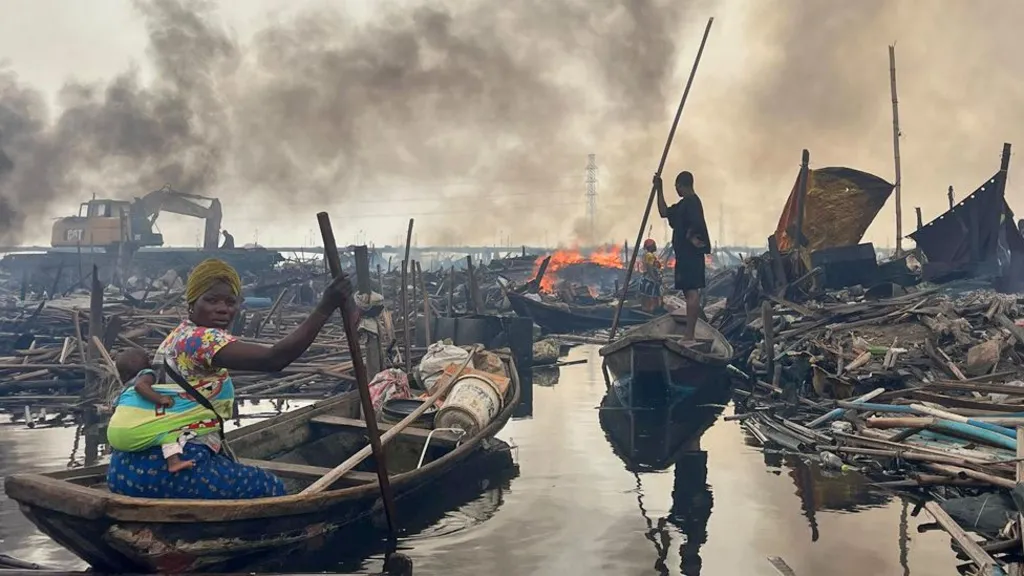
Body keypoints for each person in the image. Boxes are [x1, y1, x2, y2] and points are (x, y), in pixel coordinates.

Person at [106, 257, 354, 499]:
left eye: (230, 301)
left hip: (125, 469)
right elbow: (274, 359)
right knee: (271, 487)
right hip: (167, 469)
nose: (223, 308)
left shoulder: (178, 336)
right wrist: (325, 307)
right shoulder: (202, 340)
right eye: (211, 300)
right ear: (192, 303)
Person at [111, 348, 194, 473]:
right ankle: (173, 462)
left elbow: (114, 408)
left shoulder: (124, 390)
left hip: (114, 434)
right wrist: (160, 398)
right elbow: (141, 386)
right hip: (133, 432)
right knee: (168, 429)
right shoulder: (146, 374)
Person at [655, 171, 710, 340]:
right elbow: (664, 212)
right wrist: (659, 188)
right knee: (689, 293)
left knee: (692, 293)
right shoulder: (684, 205)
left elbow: (696, 229)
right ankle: (689, 334)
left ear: (681, 185)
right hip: (686, 256)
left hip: (690, 256)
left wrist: (691, 240)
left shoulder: (692, 204)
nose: (677, 191)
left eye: (676, 187)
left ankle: (689, 335)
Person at [638, 238, 663, 314]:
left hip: (646, 280)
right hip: (650, 281)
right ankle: (652, 313)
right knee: (652, 297)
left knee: (646, 297)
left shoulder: (646, 255)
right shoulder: (649, 255)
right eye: (654, 245)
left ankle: (647, 311)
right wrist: (655, 279)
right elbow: (650, 268)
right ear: (650, 246)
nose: (655, 246)